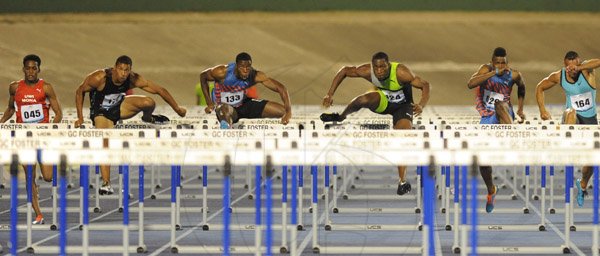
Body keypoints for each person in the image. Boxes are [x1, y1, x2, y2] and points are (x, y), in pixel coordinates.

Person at [319, 51, 431, 196]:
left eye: (383, 67)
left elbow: (425, 85)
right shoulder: (366, 71)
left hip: (403, 107)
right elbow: (345, 71)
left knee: (403, 137)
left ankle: (402, 181)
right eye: (376, 68)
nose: (379, 71)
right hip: (383, 102)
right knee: (362, 99)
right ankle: (340, 117)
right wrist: (330, 93)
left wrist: (421, 104)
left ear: (389, 65)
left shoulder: (401, 72)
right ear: (372, 66)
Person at [74, 55, 187, 194]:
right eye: (121, 69)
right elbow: (80, 92)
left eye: (126, 70)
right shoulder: (100, 78)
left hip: (120, 106)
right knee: (105, 142)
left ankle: (148, 118)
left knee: (148, 102)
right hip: (101, 112)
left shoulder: (133, 78)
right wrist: (80, 117)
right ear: (114, 68)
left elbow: (160, 90)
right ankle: (106, 183)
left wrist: (178, 109)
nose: (123, 74)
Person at [0, 54, 63, 224]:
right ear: (23, 69)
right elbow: (10, 109)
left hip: (42, 138)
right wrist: (1, 123)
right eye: (27, 68)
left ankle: (41, 181)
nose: (30, 71)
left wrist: (50, 130)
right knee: (30, 177)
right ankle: (39, 214)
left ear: (38, 70)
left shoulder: (46, 88)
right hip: (24, 139)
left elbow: (58, 113)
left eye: (33, 68)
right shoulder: (15, 88)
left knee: (48, 176)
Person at [536, 51, 600, 207]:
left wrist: (579, 67)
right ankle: (567, 148)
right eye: (568, 66)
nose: (571, 69)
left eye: (574, 66)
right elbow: (540, 87)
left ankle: (583, 183)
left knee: (592, 162)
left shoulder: (586, 71)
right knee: (571, 112)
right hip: (571, 119)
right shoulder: (559, 76)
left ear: (579, 63)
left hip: (590, 119)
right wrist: (542, 110)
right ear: (564, 65)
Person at [467, 47, 526, 213]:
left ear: (507, 62)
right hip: (488, 115)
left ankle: (513, 140)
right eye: (497, 62)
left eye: (503, 62)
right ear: (492, 62)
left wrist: (520, 109)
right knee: (483, 162)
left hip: (505, 113)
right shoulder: (486, 70)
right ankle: (491, 189)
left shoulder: (514, 74)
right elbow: (470, 84)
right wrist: (492, 73)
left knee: (500, 104)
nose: (501, 65)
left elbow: (522, 87)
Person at [200, 52, 291, 128]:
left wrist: (288, 111)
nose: (245, 70)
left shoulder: (255, 75)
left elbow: (281, 88)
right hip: (226, 107)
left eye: (248, 67)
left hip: (243, 104)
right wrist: (209, 103)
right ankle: (226, 129)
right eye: (241, 67)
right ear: (236, 66)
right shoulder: (222, 72)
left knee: (282, 111)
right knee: (224, 110)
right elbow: (203, 76)